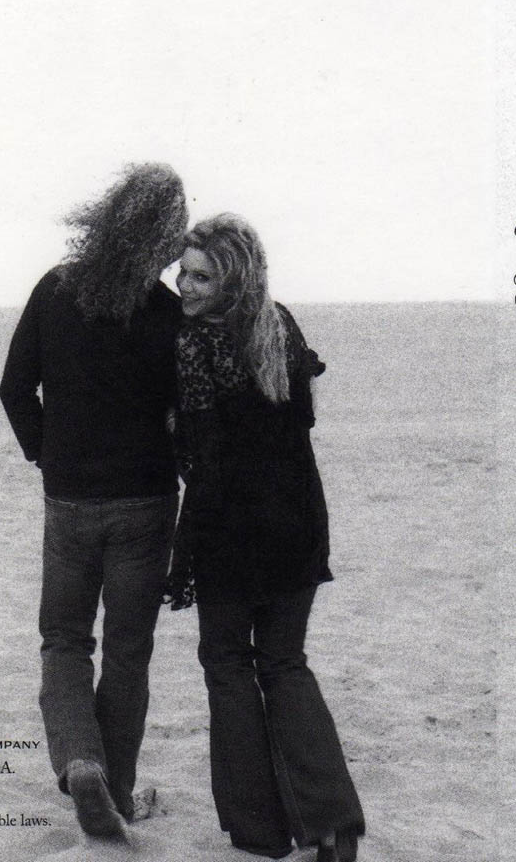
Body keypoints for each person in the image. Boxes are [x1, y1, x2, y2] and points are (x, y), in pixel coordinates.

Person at [0, 163, 188, 840]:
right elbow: (187, 415)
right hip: (145, 501)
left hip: (71, 500)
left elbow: (13, 388)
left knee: (64, 640)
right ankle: (119, 792)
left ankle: (82, 762)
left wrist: (47, 453)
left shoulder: (56, 288)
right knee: (128, 651)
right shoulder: (168, 312)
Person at [167, 213, 364, 861]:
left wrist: (185, 548)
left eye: (200, 276)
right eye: (182, 272)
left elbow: (203, 458)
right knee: (283, 662)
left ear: (229, 281)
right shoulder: (279, 323)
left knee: (228, 665)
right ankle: (332, 824)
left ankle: (259, 831)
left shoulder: (195, 343)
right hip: (297, 518)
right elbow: (302, 416)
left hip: (231, 527)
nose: (184, 285)